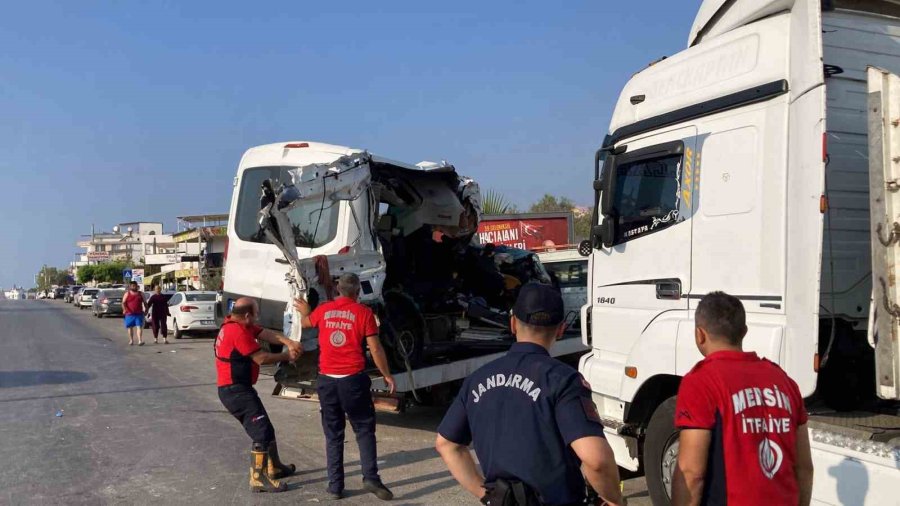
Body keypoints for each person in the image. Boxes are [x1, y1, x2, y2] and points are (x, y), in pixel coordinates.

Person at [435, 283, 624, 506]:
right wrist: (615, 500)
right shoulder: (563, 380)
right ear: (561, 329)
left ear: (513, 323)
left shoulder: (478, 378)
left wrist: (488, 496)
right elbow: (596, 460)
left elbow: (446, 444)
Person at [671, 292, 814, 506]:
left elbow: (691, 473)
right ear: (744, 332)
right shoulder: (784, 382)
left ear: (699, 335)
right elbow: (804, 468)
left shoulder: (701, 382)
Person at [293, 273, 396, 501]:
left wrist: (305, 310)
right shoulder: (364, 313)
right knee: (364, 429)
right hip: (353, 381)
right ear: (357, 292)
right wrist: (387, 375)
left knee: (333, 433)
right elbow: (375, 349)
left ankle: (335, 486)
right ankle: (370, 477)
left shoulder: (324, 310)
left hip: (327, 381)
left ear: (338, 290)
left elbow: (306, 323)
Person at [215, 297, 302, 493]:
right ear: (247, 315)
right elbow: (261, 358)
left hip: (239, 388)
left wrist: (289, 341)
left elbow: (265, 333)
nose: (257, 317)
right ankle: (258, 478)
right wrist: (287, 356)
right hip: (235, 391)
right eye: (255, 314)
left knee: (267, 428)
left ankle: (275, 466)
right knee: (261, 432)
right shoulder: (236, 332)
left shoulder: (237, 324)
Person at [121, 281, 147, 346]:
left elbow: (145, 302)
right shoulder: (127, 294)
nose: (134, 287)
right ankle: (131, 340)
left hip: (139, 314)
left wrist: (146, 309)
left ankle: (140, 341)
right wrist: (124, 309)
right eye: (132, 286)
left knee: (139, 327)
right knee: (130, 327)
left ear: (137, 286)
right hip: (129, 314)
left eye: (135, 285)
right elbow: (123, 303)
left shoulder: (141, 294)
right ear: (130, 287)